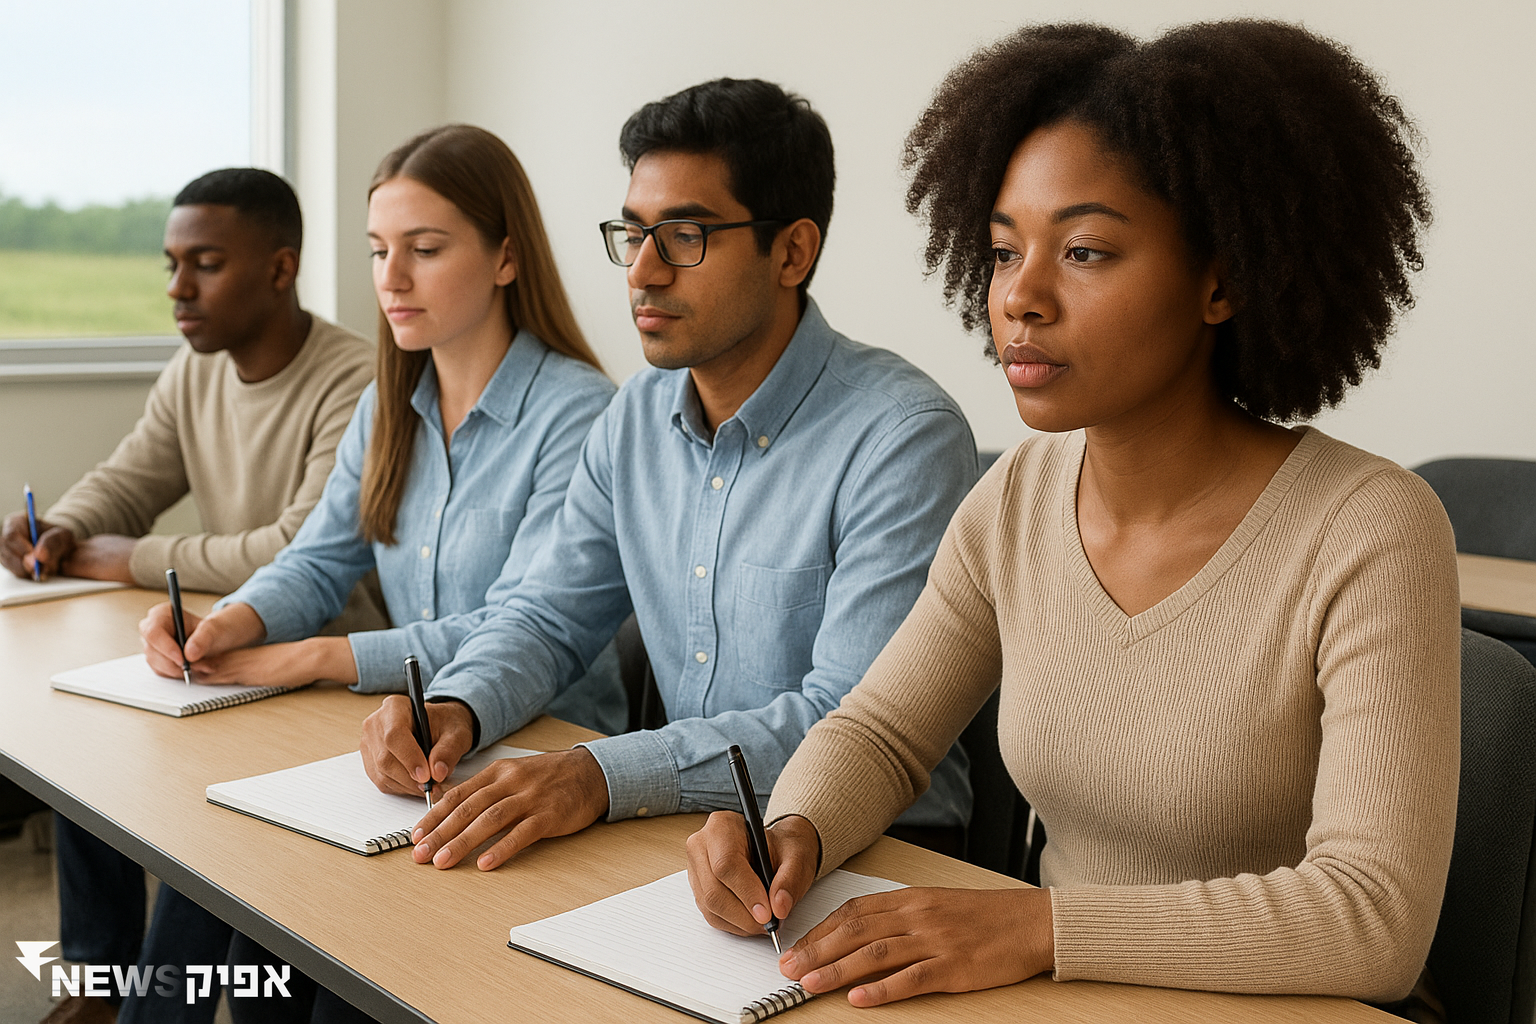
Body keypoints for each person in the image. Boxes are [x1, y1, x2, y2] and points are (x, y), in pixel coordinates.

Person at [686, 20, 1460, 1012]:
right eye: (1005, 251)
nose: (1021, 297)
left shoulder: (1372, 528)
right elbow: (881, 732)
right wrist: (792, 830)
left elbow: (1372, 919)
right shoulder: (1016, 496)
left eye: (1085, 250)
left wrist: (1040, 926)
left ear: (1222, 280)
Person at [357, 78, 978, 873]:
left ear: (792, 252)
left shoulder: (903, 437)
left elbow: (846, 719)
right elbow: (547, 616)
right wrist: (458, 705)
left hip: (877, 850)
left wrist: (597, 774)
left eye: (685, 236)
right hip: (685, 826)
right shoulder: (635, 417)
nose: (642, 272)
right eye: (633, 233)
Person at [133, 125, 620, 1024]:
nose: (390, 278)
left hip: (538, 756)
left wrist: (314, 657)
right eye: (377, 250)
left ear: (506, 257)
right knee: (221, 877)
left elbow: (519, 622)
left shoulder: (581, 414)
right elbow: (319, 558)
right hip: (409, 746)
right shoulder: (389, 402)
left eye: (424, 250)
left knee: (301, 961)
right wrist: (231, 621)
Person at [15, 168, 381, 1024]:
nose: (178, 288)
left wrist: (126, 558)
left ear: (281, 268)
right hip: (227, 652)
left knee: (204, 842)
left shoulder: (356, 381)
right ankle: (100, 983)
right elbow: (129, 478)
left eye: (205, 264)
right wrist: (62, 528)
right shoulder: (196, 370)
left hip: (325, 672)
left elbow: (291, 548)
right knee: (88, 747)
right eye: (172, 265)